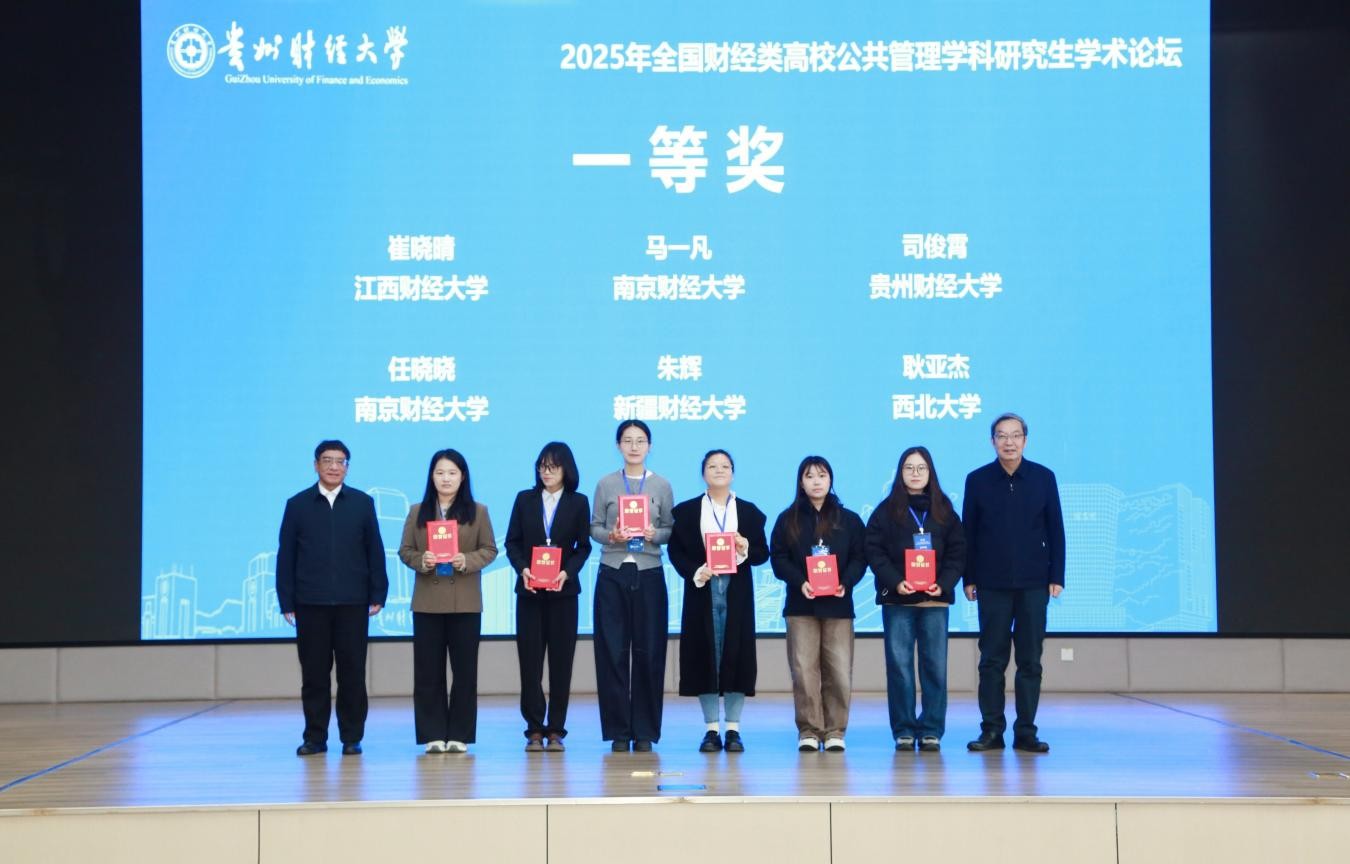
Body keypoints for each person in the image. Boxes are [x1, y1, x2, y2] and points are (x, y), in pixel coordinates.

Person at [276, 440, 388, 757]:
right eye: (327, 460)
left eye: (340, 461)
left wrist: (378, 592)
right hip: (310, 603)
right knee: (314, 675)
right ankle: (315, 737)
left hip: (353, 602)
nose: (334, 466)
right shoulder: (297, 504)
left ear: (347, 467)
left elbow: (375, 550)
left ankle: (352, 737)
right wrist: (287, 600)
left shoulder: (362, 503)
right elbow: (286, 555)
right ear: (316, 465)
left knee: (352, 673)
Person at [963, 413, 1065, 754]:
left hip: (1035, 583)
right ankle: (991, 730)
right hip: (991, 583)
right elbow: (968, 533)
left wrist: (1057, 575)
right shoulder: (977, 480)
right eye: (1002, 435)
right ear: (992, 441)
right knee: (991, 660)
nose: (1009, 442)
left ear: (1025, 440)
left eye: (1016, 435)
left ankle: (1026, 732)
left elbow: (1056, 529)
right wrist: (969, 577)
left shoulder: (1043, 478)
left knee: (1030, 660)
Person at [667, 450, 770, 753]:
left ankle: (734, 729)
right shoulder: (687, 511)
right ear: (703, 474)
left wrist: (745, 546)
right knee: (705, 656)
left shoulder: (749, 512)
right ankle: (711, 729)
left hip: (737, 592)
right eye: (712, 466)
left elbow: (762, 554)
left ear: (733, 473)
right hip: (703, 589)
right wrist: (695, 571)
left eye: (725, 466)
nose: (719, 470)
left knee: (737, 656)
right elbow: (675, 551)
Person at [864, 446, 965, 752]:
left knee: (935, 666)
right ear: (900, 473)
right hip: (898, 601)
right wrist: (896, 581)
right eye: (909, 468)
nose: (915, 473)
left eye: (921, 468)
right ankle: (904, 729)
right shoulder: (885, 511)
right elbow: (873, 551)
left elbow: (958, 552)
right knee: (900, 667)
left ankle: (932, 728)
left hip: (935, 601)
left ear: (930, 472)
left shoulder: (945, 510)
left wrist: (943, 584)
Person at [398, 449, 498, 754]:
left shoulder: (478, 511)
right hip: (427, 602)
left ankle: (459, 735)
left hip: (465, 601)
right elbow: (405, 550)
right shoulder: (417, 511)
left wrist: (466, 560)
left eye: (452, 473)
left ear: (462, 477)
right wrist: (422, 560)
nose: (446, 479)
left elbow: (490, 550)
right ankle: (432, 734)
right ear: (432, 476)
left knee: (465, 672)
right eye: (440, 473)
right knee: (428, 672)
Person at [769, 456, 866, 753]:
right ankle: (809, 730)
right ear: (801, 482)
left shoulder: (849, 519)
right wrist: (800, 581)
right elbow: (778, 558)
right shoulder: (787, 519)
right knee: (803, 671)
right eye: (809, 476)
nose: (816, 481)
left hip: (838, 605)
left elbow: (860, 557)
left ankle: (835, 730)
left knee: (839, 671)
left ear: (830, 480)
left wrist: (845, 582)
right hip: (801, 605)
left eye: (822, 475)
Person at [589, 419, 675, 752]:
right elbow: (595, 527)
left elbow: (670, 529)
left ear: (650, 446)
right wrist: (611, 535)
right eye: (628, 440)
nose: (634, 446)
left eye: (640, 440)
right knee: (611, 652)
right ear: (618, 445)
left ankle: (645, 732)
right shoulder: (606, 483)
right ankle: (618, 731)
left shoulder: (662, 485)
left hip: (649, 572)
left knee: (649, 653)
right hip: (612, 571)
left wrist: (656, 534)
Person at [504, 442, 592, 752]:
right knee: (530, 663)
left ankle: (555, 729)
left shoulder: (578, 502)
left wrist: (567, 572)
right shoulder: (524, 499)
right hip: (529, 592)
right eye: (542, 466)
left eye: (553, 466)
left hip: (563, 593)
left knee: (561, 663)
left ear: (566, 469)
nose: (546, 472)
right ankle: (533, 728)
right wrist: (523, 569)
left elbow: (584, 547)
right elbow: (512, 542)